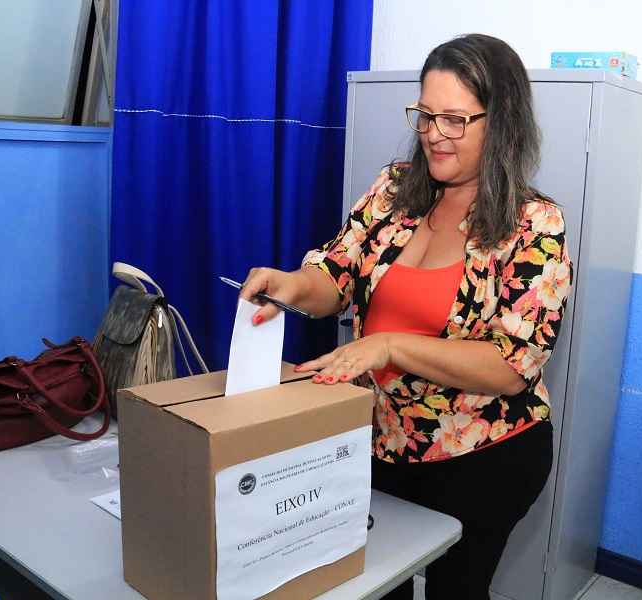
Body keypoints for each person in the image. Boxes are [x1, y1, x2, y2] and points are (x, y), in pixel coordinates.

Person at [242, 33, 572, 600]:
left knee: (455, 591)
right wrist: (291, 285)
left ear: (503, 123)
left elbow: (508, 364)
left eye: (455, 120)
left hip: (484, 454)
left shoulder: (534, 225)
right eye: (424, 115)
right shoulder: (395, 188)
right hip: (384, 440)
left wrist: (389, 346)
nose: (434, 136)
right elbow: (337, 274)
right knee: (376, 584)